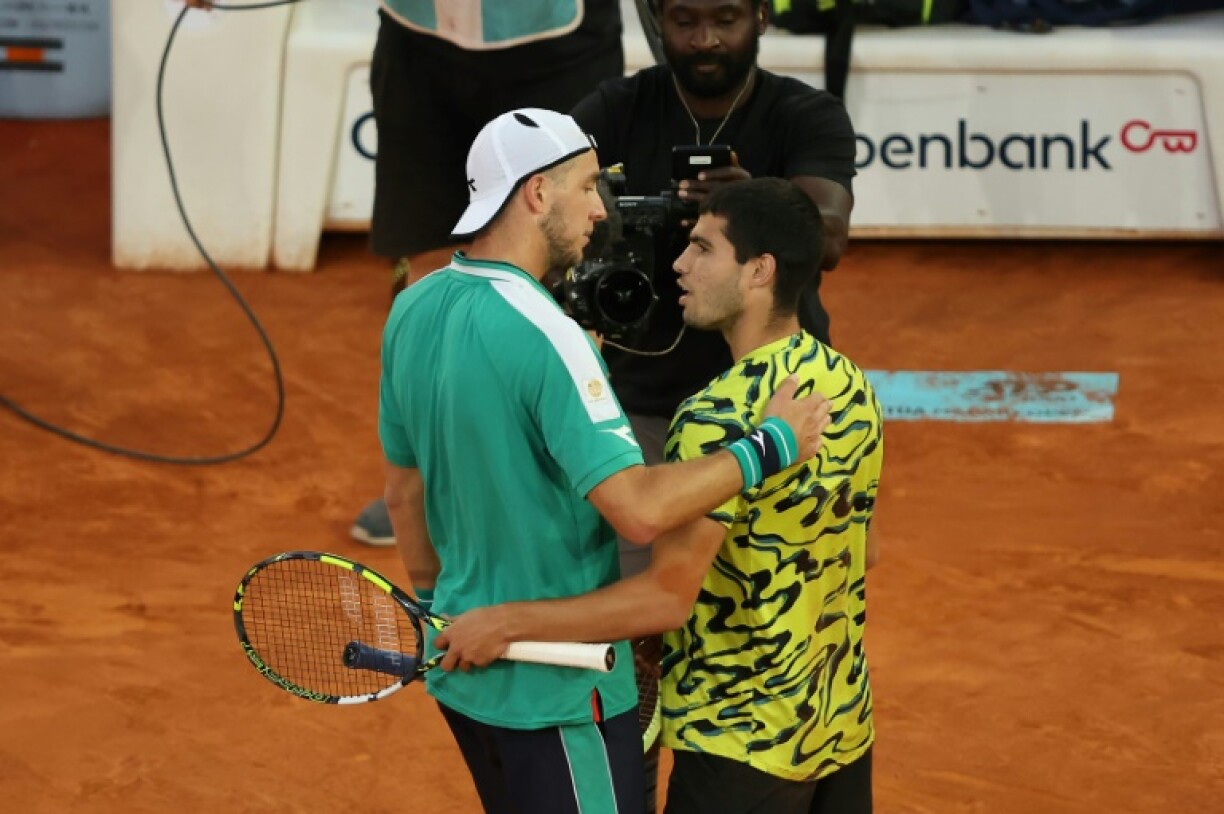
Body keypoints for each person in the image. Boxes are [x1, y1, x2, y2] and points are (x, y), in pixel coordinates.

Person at [379, 110, 834, 814]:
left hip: (467, 678)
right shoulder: (550, 335)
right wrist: (766, 446)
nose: (599, 209)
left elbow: (405, 494)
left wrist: (445, 611)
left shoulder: (414, 306)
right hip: (560, 691)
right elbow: (639, 511)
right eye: (588, 186)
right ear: (535, 194)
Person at [569, 0, 858, 578]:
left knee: (779, 590)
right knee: (645, 607)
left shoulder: (807, 114)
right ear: (657, 20)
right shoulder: (616, 109)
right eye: (685, 21)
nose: (705, 39)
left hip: (775, 397)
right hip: (641, 407)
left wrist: (753, 205)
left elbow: (828, 239)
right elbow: (542, 209)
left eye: (725, 19)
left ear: (761, 16)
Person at [352, 0, 627, 546]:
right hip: (419, 33)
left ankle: (587, 467)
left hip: (555, 36)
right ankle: (431, 481)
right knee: (428, 267)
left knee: (576, 255)